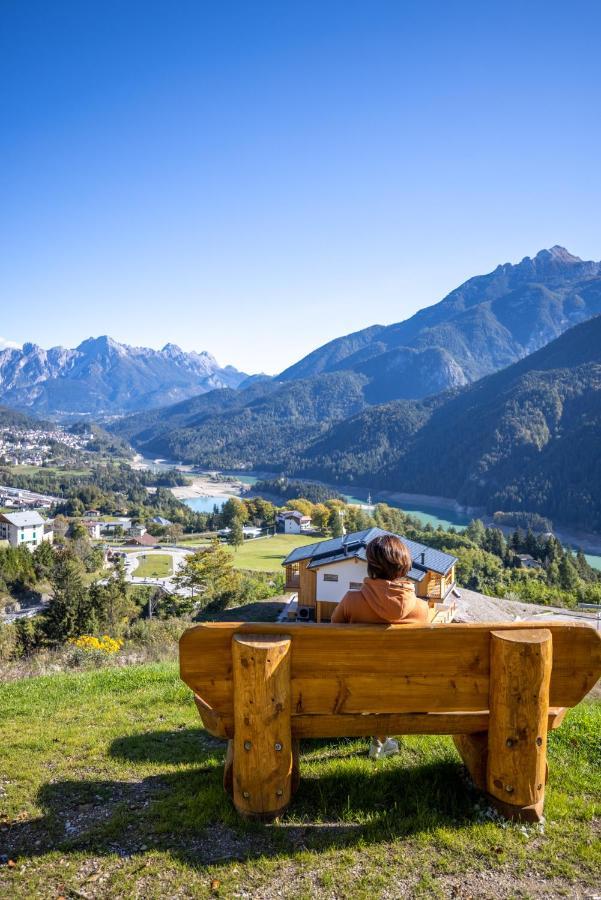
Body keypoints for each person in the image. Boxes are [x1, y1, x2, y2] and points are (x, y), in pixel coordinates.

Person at [331, 533, 430, 759]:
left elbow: (332, 637)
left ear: (371, 566)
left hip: (355, 689)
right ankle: (381, 740)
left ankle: (379, 739)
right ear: (404, 567)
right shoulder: (422, 609)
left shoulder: (351, 602)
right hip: (404, 691)